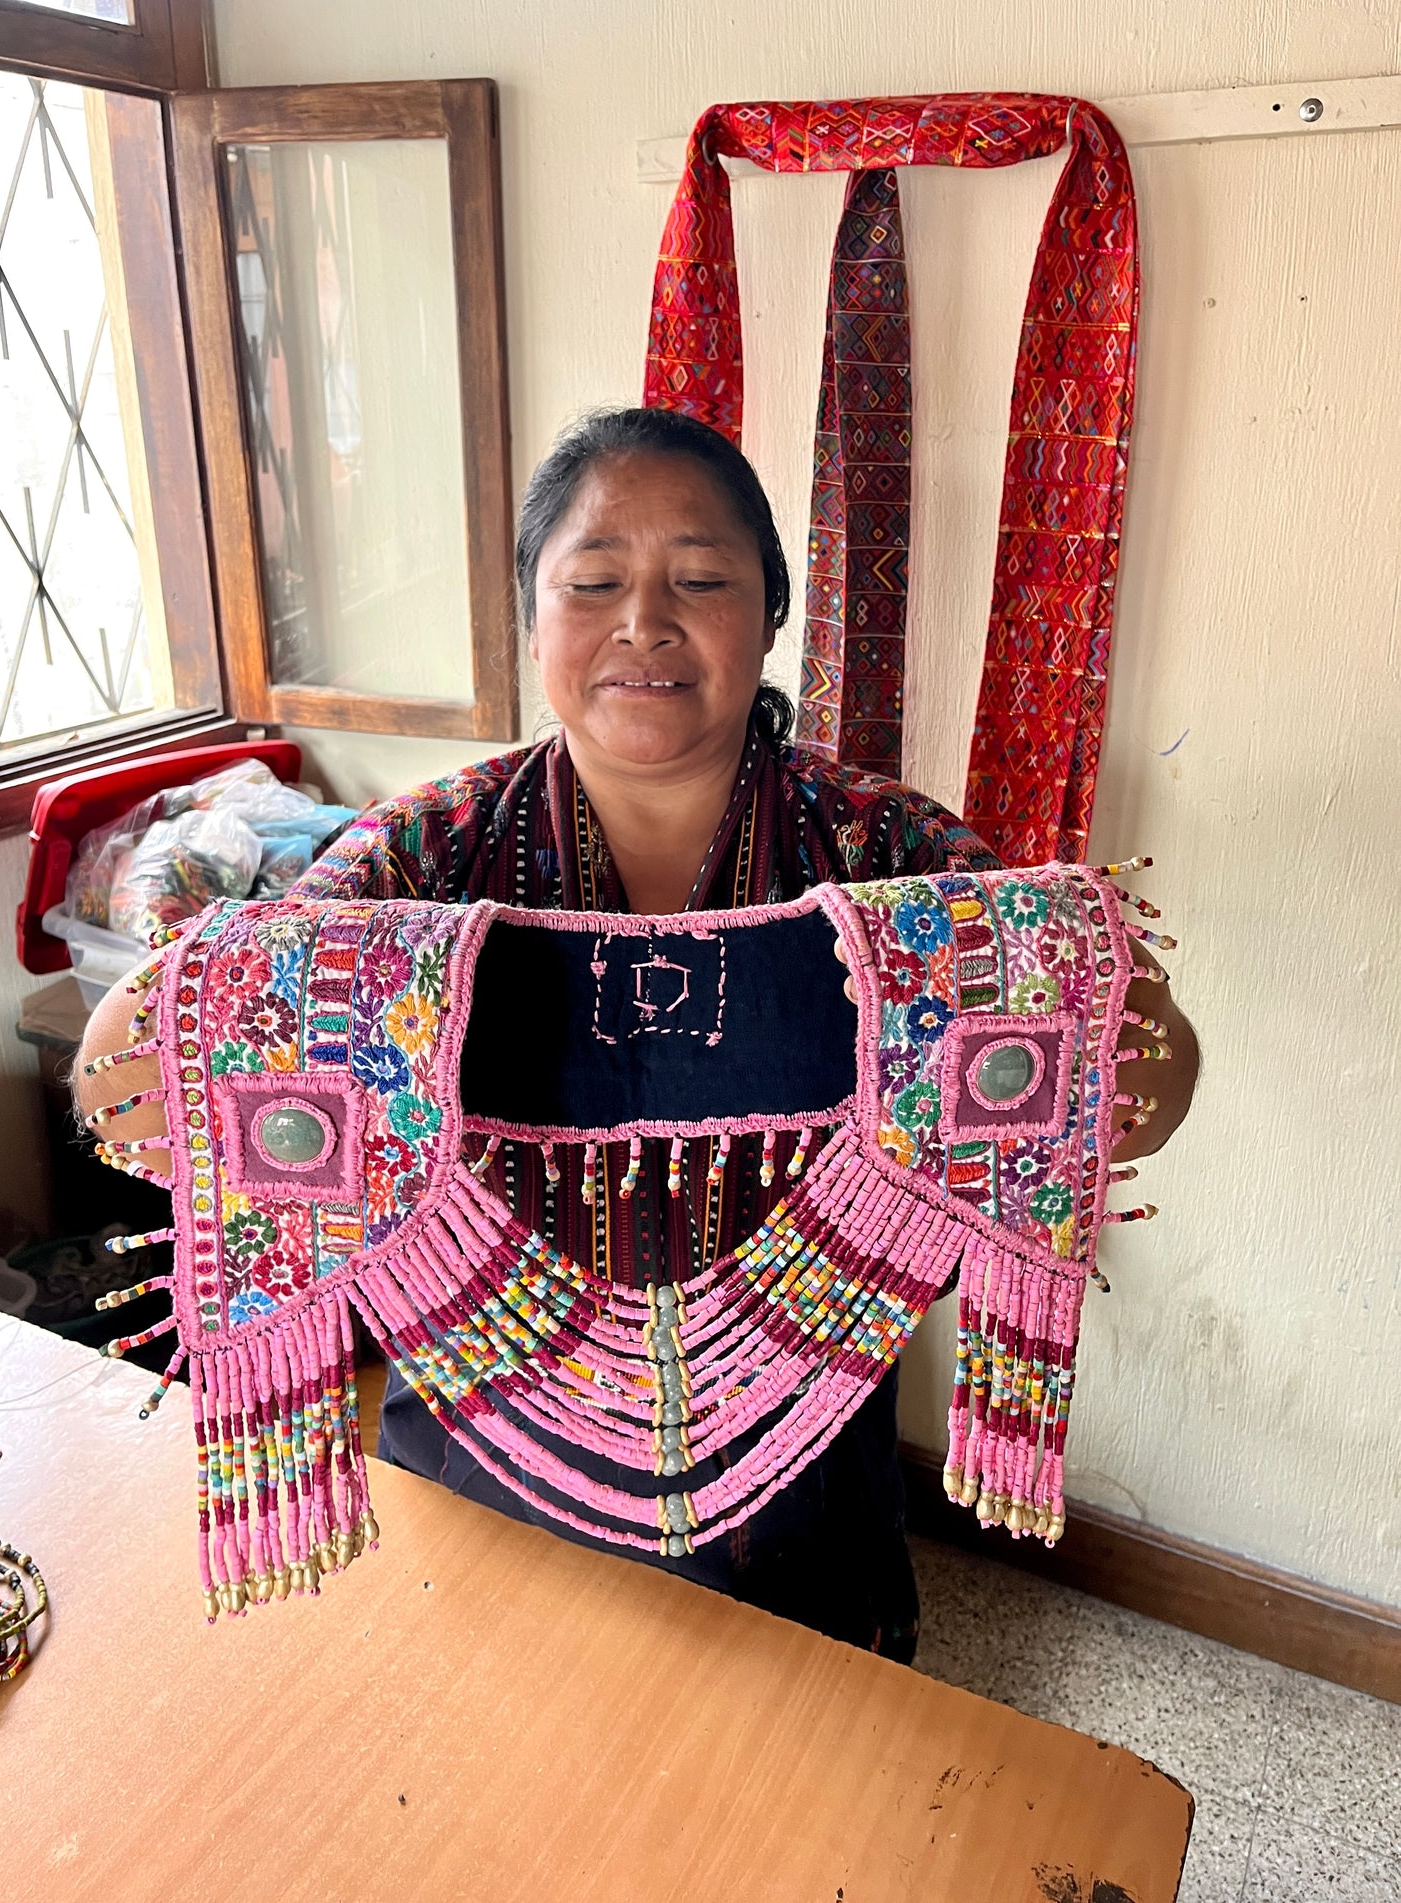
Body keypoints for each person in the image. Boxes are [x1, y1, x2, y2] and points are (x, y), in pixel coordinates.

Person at [289, 405, 1199, 1662]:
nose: (644, 623)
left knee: (788, 1816)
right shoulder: (426, 851)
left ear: (769, 610)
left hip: (798, 1461)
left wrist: (1111, 1043)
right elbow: (189, 1044)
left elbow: (1135, 1070)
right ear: (532, 616)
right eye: (593, 581)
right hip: (487, 1444)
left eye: (701, 579)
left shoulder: (888, 857)